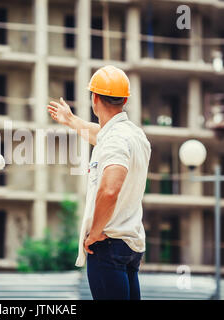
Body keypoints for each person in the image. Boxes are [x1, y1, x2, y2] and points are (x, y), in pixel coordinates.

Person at [47, 65, 151, 300]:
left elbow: (110, 189)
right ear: (125, 99)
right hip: (130, 245)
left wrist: (94, 233)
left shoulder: (115, 140)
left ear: (94, 98)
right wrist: (71, 120)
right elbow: (101, 136)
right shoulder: (135, 135)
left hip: (107, 244)